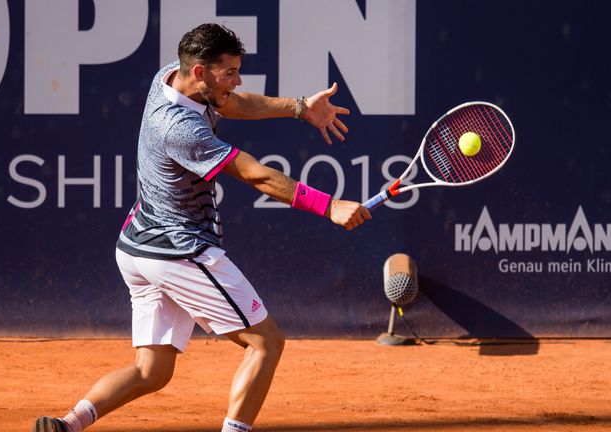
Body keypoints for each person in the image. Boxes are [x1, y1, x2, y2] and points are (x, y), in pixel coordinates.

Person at [34, 23, 371, 432]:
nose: (237, 79)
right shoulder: (179, 127)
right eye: (229, 72)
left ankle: (67, 424)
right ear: (199, 72)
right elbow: (255, 175)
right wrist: (329, 205)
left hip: (136, 247)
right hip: (178, 251)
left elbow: (230, 103)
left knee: (151, 371)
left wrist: (299, 107)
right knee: (266, 344)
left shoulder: (168, 77)